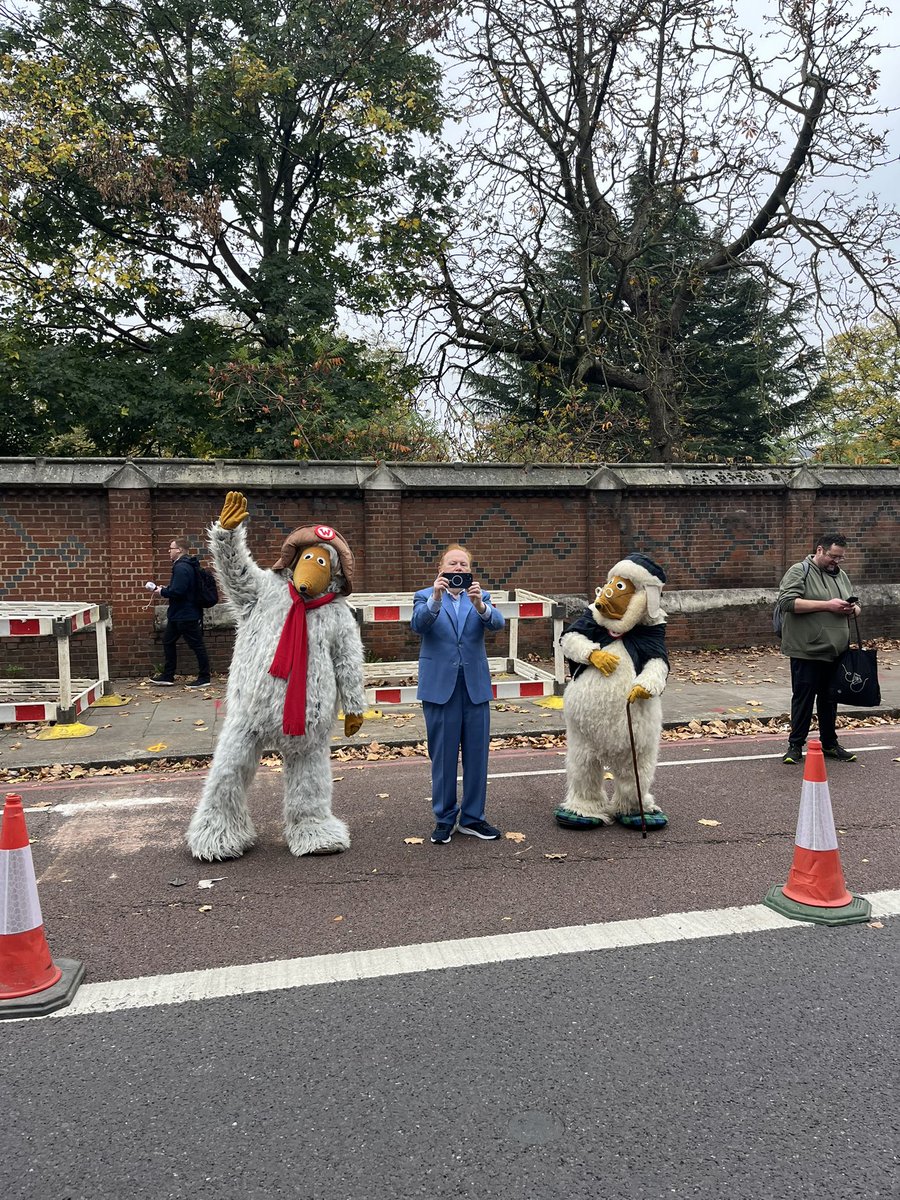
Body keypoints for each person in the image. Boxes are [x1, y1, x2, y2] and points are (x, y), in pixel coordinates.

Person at [411, 544, 505, 844]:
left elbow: (497, 624)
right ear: (441, 567)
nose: (459, 568)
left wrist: (480, 606)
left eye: (464, 564)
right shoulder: (425, 596)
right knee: (443, 755)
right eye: (453, 563)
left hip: (474, 685)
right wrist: (436, 599)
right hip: (440, 687)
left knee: (477, 755)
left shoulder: (481, 596)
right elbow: (418, 625)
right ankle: (444, 818)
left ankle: (473, 818)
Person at [776, 533, 861, 765]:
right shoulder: (799, 571)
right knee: (803, 699)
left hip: (836, 650)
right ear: (820, 550)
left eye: (840, 558)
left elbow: (856, 607)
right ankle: (795, 746)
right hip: (807, 649)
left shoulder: (841, 576)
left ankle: (830, 744)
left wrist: (851, 609)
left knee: (829, 699)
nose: (836, 562)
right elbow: (787, 603)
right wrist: (828, 605)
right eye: (833, 556)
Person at [150, 537, 211, 688]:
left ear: (179, 550)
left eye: (171, 548)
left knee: (197, 645)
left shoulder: (181, 567)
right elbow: (180, 588)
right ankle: (168, 675)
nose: (169, 551)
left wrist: (162, 591)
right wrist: (167, 589)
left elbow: (178, 591)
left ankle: (204, 677)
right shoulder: (186, 565)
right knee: (168, 641)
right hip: (179, 614)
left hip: (185, 614)